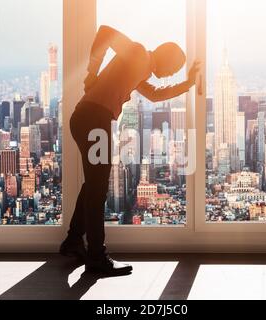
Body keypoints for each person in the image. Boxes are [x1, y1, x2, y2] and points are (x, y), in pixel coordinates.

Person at [60, 25, 200, 276]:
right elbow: (105, 33)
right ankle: (96, 257)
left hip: (88, 118)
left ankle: (73, 241)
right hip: (94, 119)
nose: (168, 74)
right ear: (166, 58)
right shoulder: (138, 54)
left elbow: (157, 95)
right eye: (172, 69)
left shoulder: (139, 69)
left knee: (93, 185)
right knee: (98, 189)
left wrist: (188, 83)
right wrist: (91, 72)